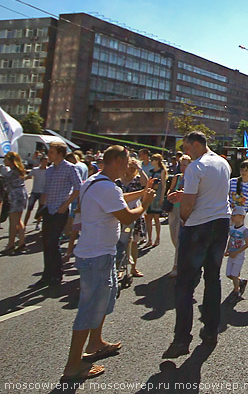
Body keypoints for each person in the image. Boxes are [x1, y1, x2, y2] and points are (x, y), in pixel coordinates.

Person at [62, 146, 155, 382]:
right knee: (90, 309)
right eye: (126, 161)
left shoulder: (95, 182)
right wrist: (144, 203)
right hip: (97, 257)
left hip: (97, 254)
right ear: (115, 161)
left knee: (105, 299)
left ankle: (96, 342)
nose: (129, 166)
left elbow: (118, 200)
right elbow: (126, 215)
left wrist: (142, 191)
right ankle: (73, 365)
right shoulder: (106, 187)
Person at [163, 131, 231, 358]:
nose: (185, 152)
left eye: (187, 147)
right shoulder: (222, 163)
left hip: (198, 227)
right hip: (221, 222)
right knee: (213, 278)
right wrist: (185, 195)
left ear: (196, 144)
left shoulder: (195, 167)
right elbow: (211, 193)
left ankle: (182, 339)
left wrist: (183, 216)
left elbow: (191, 204)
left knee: (184, 284)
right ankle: (211, 330)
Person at [39, 142, 83, 286]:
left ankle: (57, 275)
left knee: (53, 242)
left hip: (60, 210)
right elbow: (45, 190)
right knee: (46, 243)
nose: (49, 155)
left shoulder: (70, 168)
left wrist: (66, 204)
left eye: (52, 152)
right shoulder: (50, 170)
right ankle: (47, 274)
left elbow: (78, 188)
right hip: (48, 209)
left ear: (60, 154)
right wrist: (42, 207)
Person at [166, 154, 191, 277]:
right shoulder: (177, 177)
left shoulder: (192, 178)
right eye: (181, 164)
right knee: (174, 237)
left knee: (180, 238)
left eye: (185, 165)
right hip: (173, 209)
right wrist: (169, 196)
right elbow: (170, 190)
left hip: (184, 210)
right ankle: (183, 256)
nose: (182, 167)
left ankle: (176, 265)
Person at [1, 152, 29, 254]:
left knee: (13, 222)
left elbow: (6, 178)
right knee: (18, 220)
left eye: (6, 159)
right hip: (20, 195)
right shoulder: (18, 170)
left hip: (15, 196)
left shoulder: (13, 172)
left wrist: (2, 169)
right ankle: (21, 242)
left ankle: (10, 244)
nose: (4, 161)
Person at [224, 210, 248, 298]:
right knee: (229, 274)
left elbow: (246, 244)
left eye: (235, 215)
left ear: (241, 216)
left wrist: (236, 252)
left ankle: (237, 291)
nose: (233, 217)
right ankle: (240, 282)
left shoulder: (244, 230)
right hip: (231, 253)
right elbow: (230, 240)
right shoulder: (231, 228)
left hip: (238, 255)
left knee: (234, 274)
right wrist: (227, 250)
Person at [144, 153, 167, 247]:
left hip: (157, 196)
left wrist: (162, 197)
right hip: (150, 195)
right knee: (148, 218)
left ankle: (157, 238)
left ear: (157, 161)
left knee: (156, 217)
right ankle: (149, 238)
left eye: (153, 160)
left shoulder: (162, 171)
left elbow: (164, 185)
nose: (151, 161)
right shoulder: (150, 171)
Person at [23, 155, 48, 230]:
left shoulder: (49, 170)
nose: (44, 163)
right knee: (29, 208)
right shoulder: (35, 170)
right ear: (40, 162)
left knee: (40, 209)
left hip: (43, 192)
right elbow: (28, 176)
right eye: (43, 161)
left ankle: (38, 223)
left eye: (46, 162)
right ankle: (24, 225)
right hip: (34, 191)